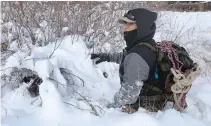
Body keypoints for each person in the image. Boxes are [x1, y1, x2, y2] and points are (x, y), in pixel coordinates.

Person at [91, 8, 165, 113]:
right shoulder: (146, 45)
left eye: (130, 24)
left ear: (141, 27)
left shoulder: (137, 56)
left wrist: (108, 109)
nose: (125, 28)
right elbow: (127, 58)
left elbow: (128, 96)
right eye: (125, 23)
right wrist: (107, 57)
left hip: (144, 112)